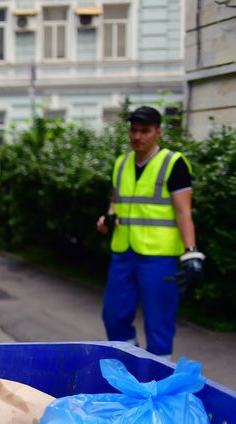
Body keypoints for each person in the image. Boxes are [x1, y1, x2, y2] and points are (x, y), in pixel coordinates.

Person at [96, 106, 205, 360]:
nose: (137, 137)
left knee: (159, 325)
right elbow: (117, 201)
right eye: (133, 130)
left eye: (145, 131)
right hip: (124, 253)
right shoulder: (121, 163)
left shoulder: (173, 164)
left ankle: (158, 386)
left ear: (158, 132)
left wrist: (191, 252)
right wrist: (107, 218)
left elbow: (183, 212)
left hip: (159, 257)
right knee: (113, 316)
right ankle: (132, 366)